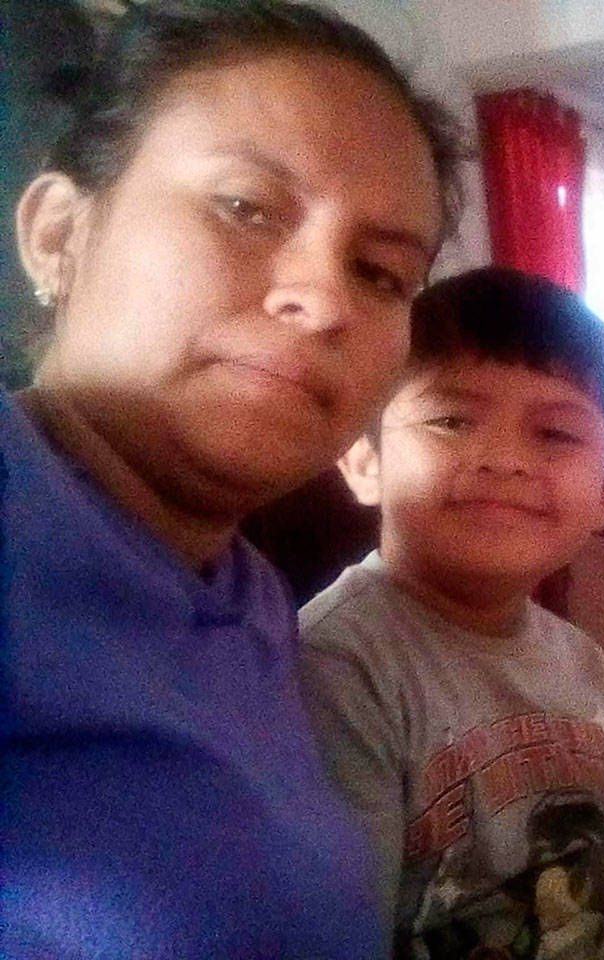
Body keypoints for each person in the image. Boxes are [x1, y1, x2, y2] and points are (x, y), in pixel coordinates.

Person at [1, 2, 462, 957]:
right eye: (245, 207)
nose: (325, 299)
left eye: (381, 273)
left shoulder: (251, 600)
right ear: (58, 234)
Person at [298, 267, 604, 960]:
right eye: (451, 420)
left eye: (556, 434)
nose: (506, 460)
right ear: (364, 461)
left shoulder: (585, 667)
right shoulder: (338, 668)